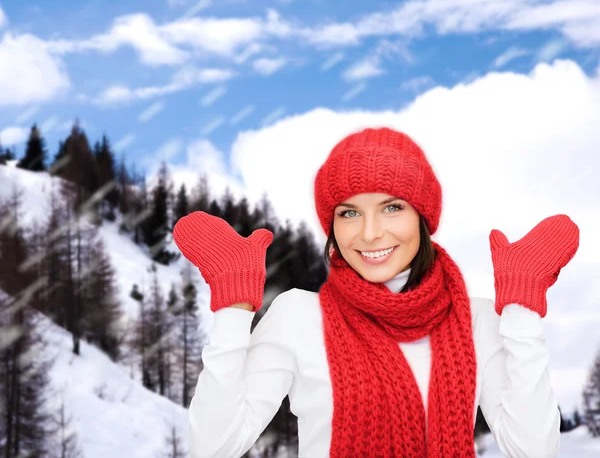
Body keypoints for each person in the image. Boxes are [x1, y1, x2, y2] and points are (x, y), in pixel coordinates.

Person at [173, 127, 580, 458]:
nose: (369, 233)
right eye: (349, 213)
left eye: (392, 207)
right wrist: (233, 307)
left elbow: (533, 451)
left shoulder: (477, 320)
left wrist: (523, 310)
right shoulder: (298, 315)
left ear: (423, 216)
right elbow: (214, 446)